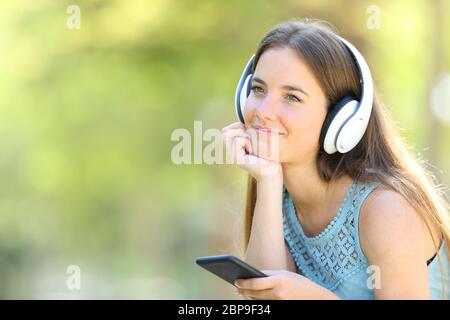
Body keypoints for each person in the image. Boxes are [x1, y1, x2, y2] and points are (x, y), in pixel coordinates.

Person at [222, 18, 450, 300]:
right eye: (258, 89)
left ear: (340, 119)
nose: (264, 111)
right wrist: (267, 179)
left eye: (291, 97)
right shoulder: (277, 192)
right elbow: (265, 299)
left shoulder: (385, 209)